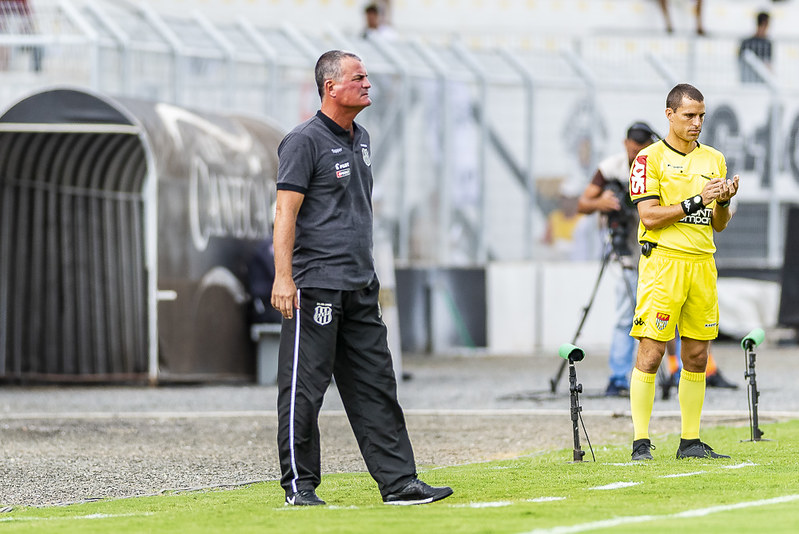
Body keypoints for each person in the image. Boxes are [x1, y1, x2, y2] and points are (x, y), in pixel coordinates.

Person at [271, 50, 453, 506]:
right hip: (315, 286)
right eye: (359, 77)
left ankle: (398, 483)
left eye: (367, 76)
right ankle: (299, 487)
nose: (368, 83)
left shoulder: (363, 137)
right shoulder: (302, 141)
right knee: (304, 391)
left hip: (359, 285)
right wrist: (283, 277)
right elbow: (284, 213)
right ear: (331, 87)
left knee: (377, 385)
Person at [628, 83, 739, 461]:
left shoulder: (715, 159)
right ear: (669, 115)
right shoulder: (648, 159)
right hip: (664, 264)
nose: (697, 123)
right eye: (689, 115)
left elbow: (719, 223)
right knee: (652, 351)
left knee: (696, 355)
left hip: (703, 264)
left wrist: (723, 201)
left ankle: (689, 441)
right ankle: (640, 442)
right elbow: (650, 216)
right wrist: (698, 199)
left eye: (701, 116)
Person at [577, 122, 660, 397]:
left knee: (661, 316)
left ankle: (672, 371)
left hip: (655, 248)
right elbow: (583, 204)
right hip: (626, 248)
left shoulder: (659, 163)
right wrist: (601, 203)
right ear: (625, 144)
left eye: (642, 149)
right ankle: (619, 377)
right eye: (633, 148)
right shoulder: (610, 168)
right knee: (627, 314)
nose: (636, 154)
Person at [738, 11, 772, 84]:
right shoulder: (746, 42)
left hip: (761, 82)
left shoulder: (768, 43)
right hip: (748, 80)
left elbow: (768, 64)